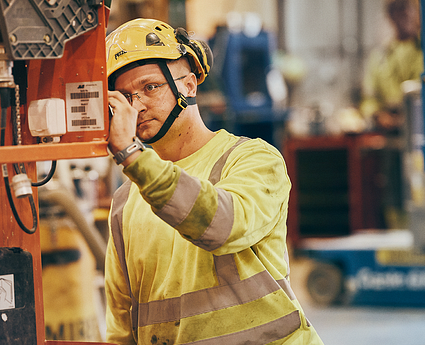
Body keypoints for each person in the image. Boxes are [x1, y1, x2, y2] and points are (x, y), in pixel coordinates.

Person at [104, 18, 324, 345]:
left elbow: (221, 225)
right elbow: (121, 325)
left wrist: (133, 156)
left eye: (150, 87)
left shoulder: (252, 159)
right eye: (125, 96)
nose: (138, 106)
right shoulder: (125, 200)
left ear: (189, 86)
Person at [360, 0, 424, 133]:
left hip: (421, 124)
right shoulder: (380, 56)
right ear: (390, 18)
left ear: (415, 13)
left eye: (406, 12)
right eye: (398, 14)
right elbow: (369, 97)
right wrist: (377, 115)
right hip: (388, 130)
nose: (403, 19)